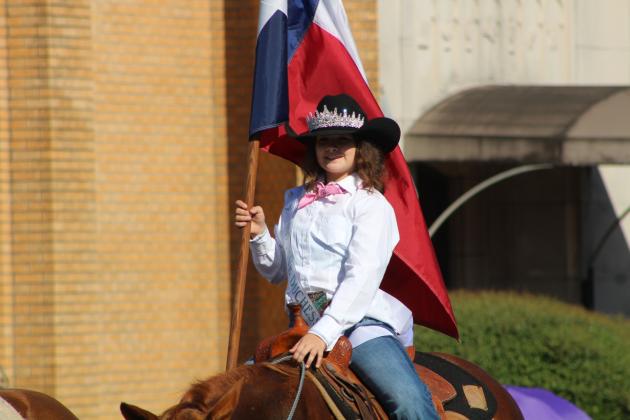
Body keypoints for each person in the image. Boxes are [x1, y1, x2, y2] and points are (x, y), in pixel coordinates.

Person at [234, 94, 438, 419]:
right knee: (234, 393)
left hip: (360, 327)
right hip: (300, 327)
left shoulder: (371, 205)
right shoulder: (295, 201)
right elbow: (276, 270)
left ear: (360, 149)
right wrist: (260, 235)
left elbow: (363, 275)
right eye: (323, 141)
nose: (332, 148)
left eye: (342, 140)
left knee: (409, 402)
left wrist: (323, 332)